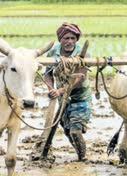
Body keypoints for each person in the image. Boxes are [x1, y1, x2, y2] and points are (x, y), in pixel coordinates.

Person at [43, 22, 92, 161]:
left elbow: (81, 77)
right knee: (66, 130)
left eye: (73, 38)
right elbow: (47, 74)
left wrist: (60, 90)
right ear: (60, 39)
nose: (70, 41)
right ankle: (79, 153)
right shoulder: (53, 52)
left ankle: (83, 159)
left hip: (80, 97)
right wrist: (52, 89)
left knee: (75, 131)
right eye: (66, 38)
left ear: (76, 39)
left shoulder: (83, 53)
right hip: (62, 98)